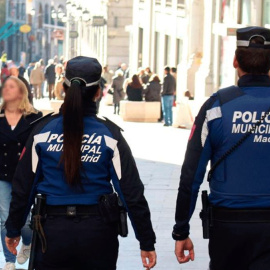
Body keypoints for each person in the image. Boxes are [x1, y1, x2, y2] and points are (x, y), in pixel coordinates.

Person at [5, 56, 157, 270]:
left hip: (52, 234)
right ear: (98, 93)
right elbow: (131, 191)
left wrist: (13, 229)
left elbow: (24, 186)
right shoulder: (109, 134)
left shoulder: (42, 131)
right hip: (98, 233)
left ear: (64, 88)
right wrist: (146, 240)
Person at [173, 26, 270, 270]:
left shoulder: (216, 106)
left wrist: (181, 229)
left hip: (228, 226)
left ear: (235, 61)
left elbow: (191, 175)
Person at [0, 76, 42, 270]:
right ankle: (9, 260)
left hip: (25, 175)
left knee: (24, 219)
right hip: (2, 174)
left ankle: (27, 241)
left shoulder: (35, 117)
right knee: (5, 217)